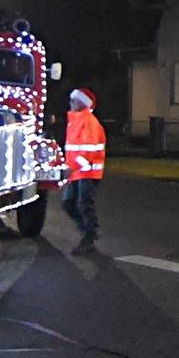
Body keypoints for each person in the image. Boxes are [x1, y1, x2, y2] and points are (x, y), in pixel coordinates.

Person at [62, 87, 106, 254]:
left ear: (82, 103)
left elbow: (89, 150)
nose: (71, 103)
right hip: (77, 172)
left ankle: (88, 236)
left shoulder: (88, 121)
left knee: (82, 204)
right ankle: (89, 231)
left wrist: (72, 167)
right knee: (69, 204)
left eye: (74, 100)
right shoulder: (75, 120)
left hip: (87, 172)